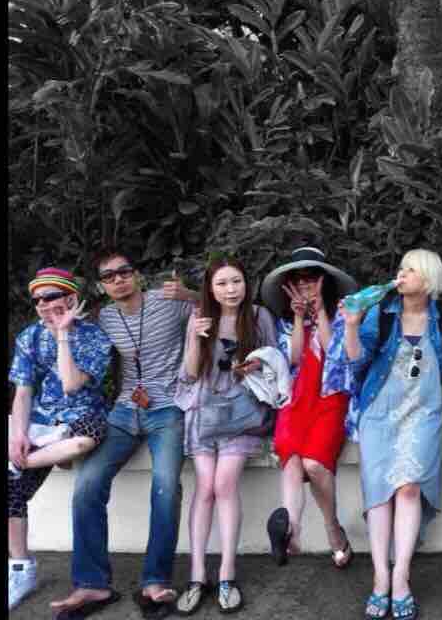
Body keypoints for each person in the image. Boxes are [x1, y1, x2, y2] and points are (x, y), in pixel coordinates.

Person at [51, 250, 198, 620]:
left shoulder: (170, 301)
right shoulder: (104, 318)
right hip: (123, 411)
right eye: (108, 276)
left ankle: (155, 581)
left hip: (168, 409)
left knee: (166, 486)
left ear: (137, 274)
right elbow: (82, 352)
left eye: (124, 271)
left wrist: (192, 294)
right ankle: (92, 583)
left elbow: (218, 305)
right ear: (101, 286)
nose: (118, 279)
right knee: (87, 484)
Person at [341, 249, 442, 620]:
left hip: (422, 414)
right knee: (378, 493)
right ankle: (380, 576)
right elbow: (356, 360)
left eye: (410, 270)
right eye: (401, 268)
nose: (401, 275)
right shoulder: (382, 314)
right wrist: (351, 326)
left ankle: (401, 575)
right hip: (379, 413)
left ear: (428, 279)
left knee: (409, 488)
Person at [174, 256, 279, 615]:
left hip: (243, 413)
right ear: (210, 288)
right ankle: (196, 575)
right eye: (221, 283)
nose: (231, 289)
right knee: (205, 487)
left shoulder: (259, 317)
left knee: (223, 484)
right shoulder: (201, 318)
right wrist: (194, 336)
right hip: (204, 411)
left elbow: (276, 364)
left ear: (246, 283)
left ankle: (226, 574)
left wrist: (256, 365)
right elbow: (190, 374)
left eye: (236, 281)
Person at [9, 268, 113, 611]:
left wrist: (63, 334)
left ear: (70, 298)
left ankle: (19, 463)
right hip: (44, 423)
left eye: (50, 296)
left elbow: (70, 385)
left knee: (87, 439)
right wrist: (18, 434)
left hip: (83, 417)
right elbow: (23, 392)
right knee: (12, 490)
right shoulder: (29, 336)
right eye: (37, 299)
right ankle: (20, 569)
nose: (42, 304)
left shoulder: (94, 337)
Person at [259, 246, 358, 569]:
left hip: (330, 397)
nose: (304, 283)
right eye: (298, 279)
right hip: (296, 399)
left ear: (324, 281)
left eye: (311, 277)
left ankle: (333, 529)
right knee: (290, 457)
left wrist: (320, 312)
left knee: (314, 464)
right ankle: (292, 532)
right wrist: (300, 317)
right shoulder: (286, 322)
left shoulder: (342, 313)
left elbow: (335, 354)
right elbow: (292, 358)